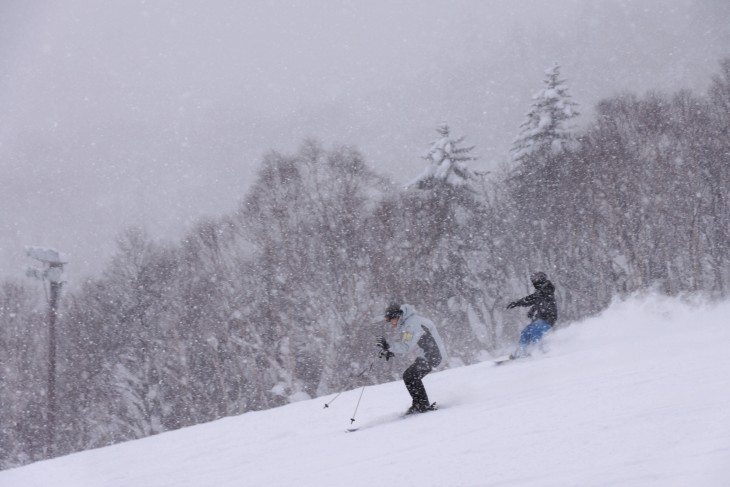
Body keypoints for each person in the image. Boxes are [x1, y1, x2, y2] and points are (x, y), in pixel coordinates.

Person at [376, 303, 446, 415]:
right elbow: (407, 343)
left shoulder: (412, 324)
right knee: (410, 376)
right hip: (427, 354)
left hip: (434, 355)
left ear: (397, 316)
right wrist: (390, 350)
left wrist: (388, 346)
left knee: (411, 376)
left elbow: (406, 346)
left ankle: (422, 405)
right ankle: (419, 405)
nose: (390, 323)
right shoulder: (410, 322)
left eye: (390, 319)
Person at [506, 271, 558, 359]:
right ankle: (520, 352)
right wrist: (531, 310)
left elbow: (533, 298)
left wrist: (518, 302)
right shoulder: (540, 291)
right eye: (533, 279)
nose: (534, 281)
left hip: (548, 317)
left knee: (535, 331)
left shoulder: (547, 287)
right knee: (525, 332)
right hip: (540, 317)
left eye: (535, 279)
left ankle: (540, 351)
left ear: (541, 279)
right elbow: (535, 301)